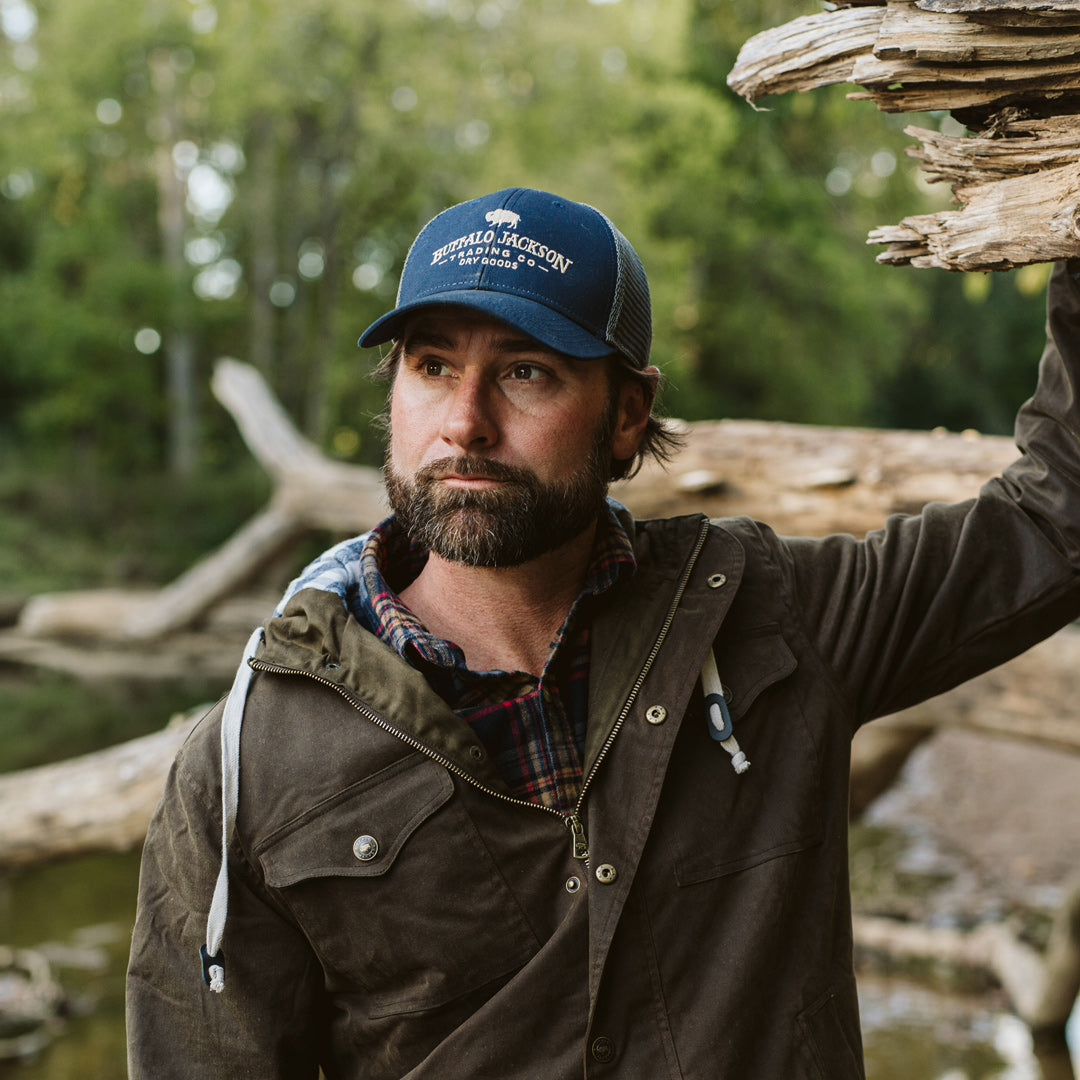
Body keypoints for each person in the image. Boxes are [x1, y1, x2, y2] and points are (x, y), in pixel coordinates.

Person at [126, 187, 1080, 1079]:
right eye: (432, 366)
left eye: (525, 372)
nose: (465, 422)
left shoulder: (772, 615)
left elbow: (1056, 515)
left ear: (627, 416)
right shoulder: (247, 763)